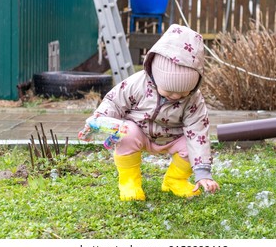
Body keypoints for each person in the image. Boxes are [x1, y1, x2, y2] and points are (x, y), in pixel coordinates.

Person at [88, 24, 220, 201]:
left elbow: (198, 132)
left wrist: (203, 171)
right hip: (139, 132)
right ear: (155, 77)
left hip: (172, 137)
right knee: (126, 133)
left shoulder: (194, 100)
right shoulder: (137, 84)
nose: (176, 96)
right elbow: (114, 101)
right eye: (169, 91)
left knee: (191, 145)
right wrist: (100, 120)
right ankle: (129, 182)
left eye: (183, 93)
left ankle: (175, 180)